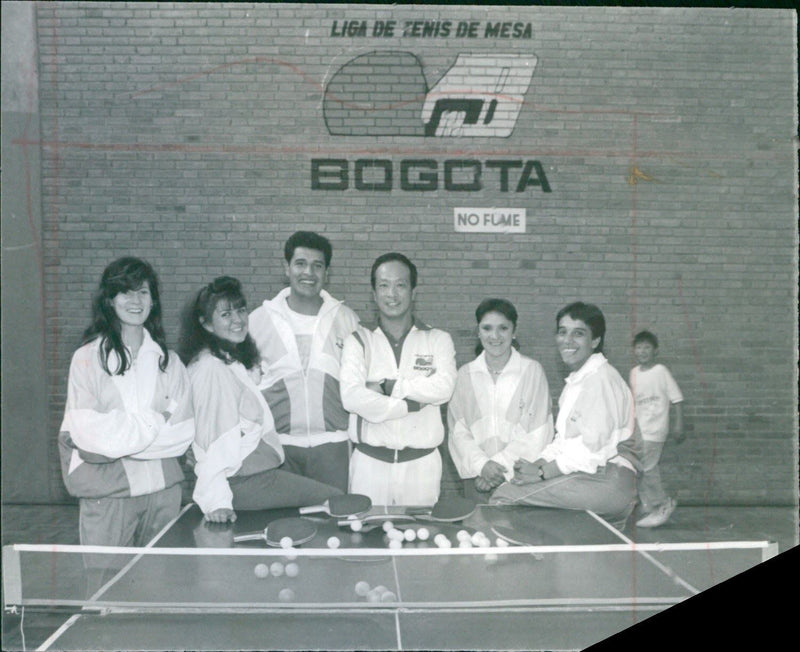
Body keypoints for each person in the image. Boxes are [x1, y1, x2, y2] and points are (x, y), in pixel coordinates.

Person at [180, 276, 343, 523]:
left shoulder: (227, 362)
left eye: (241, 310)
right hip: (242, 481)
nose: (238, 320)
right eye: (225, 315)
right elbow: (212, 442)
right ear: (206, 324)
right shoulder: (211, 369)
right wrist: (217, 502)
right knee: (336, 500)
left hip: (256, 474)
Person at [58, 257, 195, 548]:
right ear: (109, 300)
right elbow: (89, 436)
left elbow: (181, 437)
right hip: (108, 496)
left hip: (163, 493)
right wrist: (155, 420)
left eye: (143, 292)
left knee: (160, 587)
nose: (136, 300)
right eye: (126, 291)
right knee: (104, 587)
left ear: (153, 301)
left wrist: (120, 440)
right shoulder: (86, 359)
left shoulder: (170, 364)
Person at [491, 302, 641, 528]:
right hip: (595, 478)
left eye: (578, 333)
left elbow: (591, 454)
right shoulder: (578, 381)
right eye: (562, 332)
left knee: (505, 495)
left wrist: (542, 473)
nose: (567, 340)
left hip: (607, 479)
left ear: (595, 341)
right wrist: (537, 465)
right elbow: (564, 440)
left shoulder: (601, 381)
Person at [340, 252, 457, 506]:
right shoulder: (358, 340)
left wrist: (387, 387)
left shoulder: (437, 339)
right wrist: (411, 404)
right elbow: (351, 398)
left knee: (421, 540)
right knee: (365, 540)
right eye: (384, 285)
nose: (392, 294)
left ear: (413, 292)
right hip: (369, 465)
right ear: (373, 293)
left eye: (400, 285)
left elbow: (444, 389)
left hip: (421, 465)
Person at [248, 231, 360, 493]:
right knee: (282, 528)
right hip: (278, 449)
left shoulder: (347, 320)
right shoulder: (257, 321)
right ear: (286, 268)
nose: (308, 272)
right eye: (300, 263)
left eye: (317, 265)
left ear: (327, 273)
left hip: (334, 448)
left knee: (335, 526)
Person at [448, 299, 554, 503]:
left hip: (519, 480)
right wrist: (482, 467)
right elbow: (458, 431)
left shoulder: (532, 371)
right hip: (476, 480)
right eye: (487, 328)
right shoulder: (464, 375)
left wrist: (497, 469)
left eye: (503, 328)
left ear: (514, 332)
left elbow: (538, 431)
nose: (494, 336)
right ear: (478, 332)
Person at [629, 330, 685, 528]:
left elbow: (677, 399)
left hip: (656, 429)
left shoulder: (661, 371)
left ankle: (661, 504)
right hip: (639, 430)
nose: (642, 351)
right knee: (640, 467)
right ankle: (649, 504)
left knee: (648, 467)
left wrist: (678, 424)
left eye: (647, 347)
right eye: (639, 347)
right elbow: (634, 404)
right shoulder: (634, 373)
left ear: (655, 351)